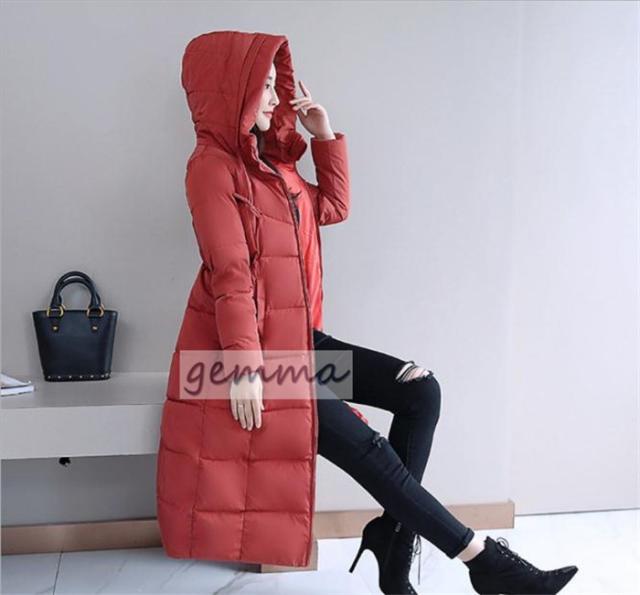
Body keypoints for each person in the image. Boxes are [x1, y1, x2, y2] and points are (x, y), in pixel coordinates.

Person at [159, 31, 579, 595]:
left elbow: (332, 207)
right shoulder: (211, 169)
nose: (273, 99)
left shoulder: (273, 169)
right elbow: (230, 272)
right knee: (366, 446)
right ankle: (482, 559)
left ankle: (392, 540)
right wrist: (244, 366)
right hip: (235, 361)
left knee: (421, 391)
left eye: (274, 87)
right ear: (229, 90)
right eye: (262, 87)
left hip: (298, 346)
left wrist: (323, 136)